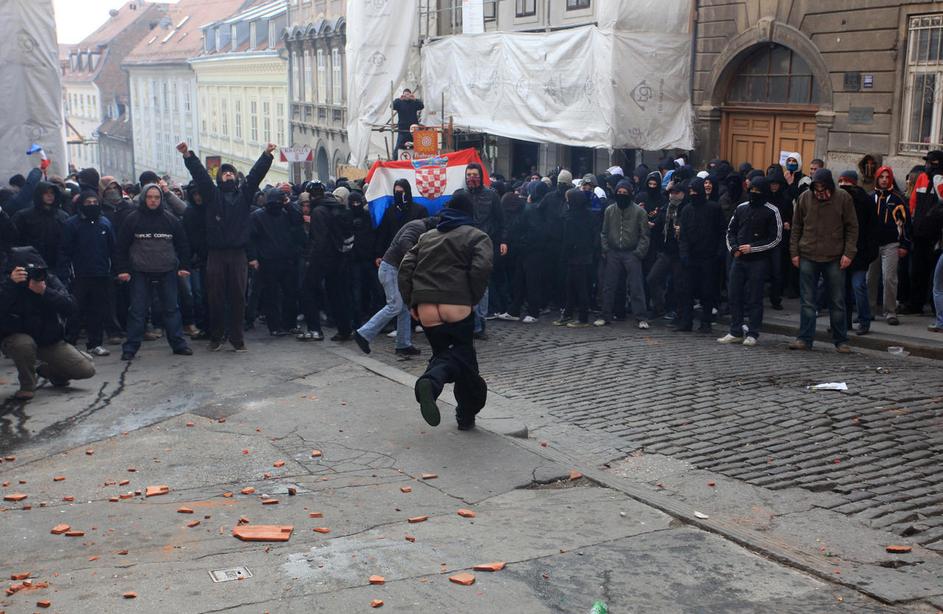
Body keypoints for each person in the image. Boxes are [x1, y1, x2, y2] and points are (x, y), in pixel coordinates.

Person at [399, 193, 493, 430]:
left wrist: (411, 302)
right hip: (457, 304)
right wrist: (472, 297)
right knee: (466, 363)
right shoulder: (477, 236)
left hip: (427, 307)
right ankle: (463, 412)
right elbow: (481, 267)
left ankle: (433, 384)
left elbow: (405, 267)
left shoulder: (427, 236)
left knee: (446, 356)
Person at [178, 141, 275, 352]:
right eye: (225, 173)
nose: (229, 175)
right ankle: (216, 336)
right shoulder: (213, 196)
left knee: (238, 297)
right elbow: (200, 176)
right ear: (219, 177)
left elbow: (255, 175)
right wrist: (188, 155)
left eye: (231, 173)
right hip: (216, 255)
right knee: (215, 297)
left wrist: (266, 155)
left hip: (238, 254)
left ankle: (237, 338)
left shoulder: (244, 194)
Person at [0, 246, 95, 400]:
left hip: (47, 339)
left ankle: (50, 371)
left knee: (86, 370)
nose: (31, 274)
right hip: (16, 338)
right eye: (26, 271)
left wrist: (45, 292)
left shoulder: (47, 279)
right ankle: (27, 386)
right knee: (24, 344)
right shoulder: (6, 282)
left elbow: (71, 307)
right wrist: (11, 284)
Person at [115, 183, 193, 361]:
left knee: (172, 309)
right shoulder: (132, 219)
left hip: (167, 271)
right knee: (137, 311)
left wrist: (184, 267)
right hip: (139, 272)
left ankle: (179, 344)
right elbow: (121, 247)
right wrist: (122, 270)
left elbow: (183, 244)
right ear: (144, 198)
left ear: (161, 199)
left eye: (156, 197)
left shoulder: (170, 219)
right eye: (150, 197)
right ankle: (130, 348)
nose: (153, 200)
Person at [788, 169, 859, 352]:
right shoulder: (805, 198)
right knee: (808, 301)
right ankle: (805, 338)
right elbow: (796, 226)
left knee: (837, 301)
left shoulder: (843, 198)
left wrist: (848, 253)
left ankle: (841, 340)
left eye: (823, 190)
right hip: (808, 255)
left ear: (830, 187)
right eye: (817, 190)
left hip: (834, 257)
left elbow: (852, 227)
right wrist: (794, 252)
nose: (820, 194)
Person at [353, 216, 436, 355]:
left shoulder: (417, 226)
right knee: (395, 305)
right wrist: (416, 258)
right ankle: (364, 333)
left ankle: (403, 344)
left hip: (393, 268)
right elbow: (405, 242)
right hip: (391, 268)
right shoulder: (418, 227)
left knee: (403, 307)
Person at [719, 177, 782, 346]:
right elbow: (730, 231)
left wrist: (753, 248)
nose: (754, 194)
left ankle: (753, 332)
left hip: (758, 261)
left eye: (757, 191)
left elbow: (775, 238)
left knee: (754, 297)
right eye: (751, 190)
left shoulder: (772, 211)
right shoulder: (741, 208)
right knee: (734, 295)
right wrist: (733, 248)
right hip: (738, 258)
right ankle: (735, 330)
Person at [57, 189, 116, 357]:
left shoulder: (105, 223)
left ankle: (95, 344)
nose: (91, 205)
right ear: (81, 204)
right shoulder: (71, 224)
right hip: (79, 276)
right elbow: (64, 251)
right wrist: (65, 273)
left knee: (97, 311)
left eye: (94, 203)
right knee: (75, 311)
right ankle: (70, 344)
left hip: (101, 274)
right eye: (88, 203)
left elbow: (113, 249)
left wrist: (116, 270)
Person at [455, 163, 505, 338]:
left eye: (474, 175)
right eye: (468, 175)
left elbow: (500, 220)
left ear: (480, 176)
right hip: (464, 244)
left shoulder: (492, 196)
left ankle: (480, 324)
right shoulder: (460, 195)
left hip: (485, 243)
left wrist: (503, 241)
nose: (471, 178)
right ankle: (467, 322)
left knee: (482, 284)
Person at [298, 184, 353, 341]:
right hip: (339, 257)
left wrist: (311, 260)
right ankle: (345, 329)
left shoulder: (318, 211)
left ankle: (314, 330)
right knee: (337, 293)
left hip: (322, 259)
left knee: (307, 290)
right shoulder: (335, 207)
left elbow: (319, 240)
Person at [594, 180, 650, 329]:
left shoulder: (639, 212)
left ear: (630, 194)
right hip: (613, 252)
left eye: (625, 193)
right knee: (608, 286)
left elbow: (645, 235)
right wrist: (605, 249)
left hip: (632, 253)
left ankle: (641, 317)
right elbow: (604, 232)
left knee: (636, 286)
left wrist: (638, 253)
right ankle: (605, 315)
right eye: (619, 193)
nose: (621, 195)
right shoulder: (610, 210)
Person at [250, 187, 302, 336]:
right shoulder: (259, 216)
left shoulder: (283, 213)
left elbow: (298, 220)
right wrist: (253, 257)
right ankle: (278, 325)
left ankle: (284, 324)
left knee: (286, 294)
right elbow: (251, 239)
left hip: (282, 259)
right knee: (273, 295)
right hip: (270, 261)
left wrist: (288, 204)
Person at [676, 178, 725, 333]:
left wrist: (718, 253)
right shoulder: (686, 210)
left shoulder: (714, 208)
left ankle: (706, 322)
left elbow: (721, 231)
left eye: (695, 191)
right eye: (691, 191)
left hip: (709, 257)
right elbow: (683, 234)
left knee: (707, 291)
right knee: (687, 291)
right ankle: (686, 321)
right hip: (690, 256)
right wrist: (684, 254)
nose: (693, 194)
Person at [837, 170, 879, 335]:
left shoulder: (864, 200)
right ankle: (843, 322)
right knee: (842, 290)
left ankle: (864, 321)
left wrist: (869, 253)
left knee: (858, 287)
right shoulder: (838, 199)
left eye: (845, 182)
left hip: (859, 253)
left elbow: (871, 229)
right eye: (840, 181)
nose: (842, 185)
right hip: (841, 252)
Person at [869, 166, 910, 326]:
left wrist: (904, 245)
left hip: (891, 244)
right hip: (873, 244)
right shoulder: (870, 197)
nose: (884, 180)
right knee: (870, 278)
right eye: (881, 177)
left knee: (889, 278)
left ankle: (890, 311)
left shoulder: (897, 200)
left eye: (887, 177)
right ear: (877, 179)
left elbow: (906, 224)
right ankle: (869, 310)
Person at [905, 150, 943, 315]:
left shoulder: (940, 180)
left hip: (936, 235)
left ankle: (936, 308)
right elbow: (913, 202)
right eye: (926, 162)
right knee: (917, 271)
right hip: (920, 233)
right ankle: (915, 304)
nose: (927, 165)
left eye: (930, 162)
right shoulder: (922, 178)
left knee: (936, 274)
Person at [556, 189, 595, 327]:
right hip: (583, 254)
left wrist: (563, 256)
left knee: (579, 287)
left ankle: (583, 317)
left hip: (576, 255)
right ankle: (568, 313)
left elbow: (568, 239)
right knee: (571, 285)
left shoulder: (571, 217)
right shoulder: (587, 214)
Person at [12, 180, 69, 270]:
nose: (50, 196)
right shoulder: (23, 216)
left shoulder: (63, 216)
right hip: (32, 264)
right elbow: (14, 239)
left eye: (52, 193)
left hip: (56, 264)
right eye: (46, 193)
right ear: (39, 194)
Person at [374, 179, 429, 261]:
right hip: (393, 255)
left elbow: (425, 235)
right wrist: (379, 254)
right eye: (397, 192)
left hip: (412, 255)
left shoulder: (420, 210)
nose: (399, 195)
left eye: (401, 192)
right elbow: (384, 233)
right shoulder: (390, 211)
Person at [392, 89, 423, 160]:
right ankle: (394, 160)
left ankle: (418, 159)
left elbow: (421, 106)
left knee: (417, 145)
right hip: (402, 129)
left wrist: (415, 99)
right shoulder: (399, 102)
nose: (407, 96)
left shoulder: (414, 102)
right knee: (399, 146)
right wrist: (399, 99)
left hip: (413, 129)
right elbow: (392, 106)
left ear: (410, 95)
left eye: (408, 94)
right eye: (405, 94)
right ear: (403, 95)